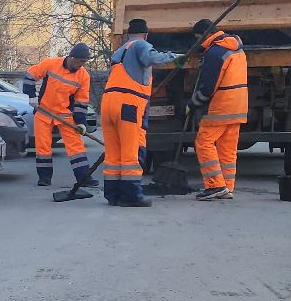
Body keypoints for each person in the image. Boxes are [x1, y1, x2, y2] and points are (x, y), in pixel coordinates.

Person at [104, 20, 179, 207]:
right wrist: (176, 57)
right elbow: (152, 57)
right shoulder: (141, 45)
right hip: (128, 104)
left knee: (113, 152)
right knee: (132, 150)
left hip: (108, 103)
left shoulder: (119, 51)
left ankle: (113, 195)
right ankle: (131, 196)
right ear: (146, 34)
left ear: (128, 34)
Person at [188, 17, 250, 201]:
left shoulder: (215, 52)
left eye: (198, 39)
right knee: (227, 148)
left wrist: (193, 103)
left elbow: (208, 87)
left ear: (203, 35)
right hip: (239, 104)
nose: (198, 43)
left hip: (222, 105)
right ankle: (227, 187)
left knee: (203, 142)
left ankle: (215, 185)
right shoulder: (236, 48)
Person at [23, 44, 95, 188]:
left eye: (84, 62)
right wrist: (31, 96)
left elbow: (81, 102)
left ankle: (84, 178)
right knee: (43, 147)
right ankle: (44, 178)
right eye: (81, 61)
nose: (82, 65)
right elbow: (30, 75)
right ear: (72, 58)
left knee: (76, 147)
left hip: (65, 115)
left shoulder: (84, 76)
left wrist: (81, 122)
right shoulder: (51, 64)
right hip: (44, 112)